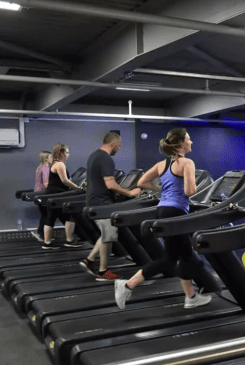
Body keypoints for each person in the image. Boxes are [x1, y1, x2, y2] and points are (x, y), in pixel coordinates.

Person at [114, 129, 211, 310]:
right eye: (189, 139)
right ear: (181, 144)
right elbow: (190, 191)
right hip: (176, 213)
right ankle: (127, 285)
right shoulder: (187, 163)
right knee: (169, 259)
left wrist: (163, 190)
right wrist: (195, 186)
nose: (192, 142)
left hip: (163, 211)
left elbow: (142, 182)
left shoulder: (162, 164)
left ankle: (190, 297)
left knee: (186, 255)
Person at [80, 132, 140, 281]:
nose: (118, 149)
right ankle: (102, 272)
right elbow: (110, 183)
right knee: (108, 237)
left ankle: (89, 260)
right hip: (102, 203)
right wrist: (129, 192)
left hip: (94, 201)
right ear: (113, 143)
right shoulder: (106, 158)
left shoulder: (94, 155)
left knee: (106, 234)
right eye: (119, 146)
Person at [42, 144, 82, 249]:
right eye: (67, 152)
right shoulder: (60, 164)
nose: (68, 155)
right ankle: (69, 240)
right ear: (61, 153)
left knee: (51, 218)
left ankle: (47, 243)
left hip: (52, 194)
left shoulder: (55, 164)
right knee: (70, 217)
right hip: (57, 195)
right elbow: (65, 180)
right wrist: (77, 187)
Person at [32, 150, 51, 242]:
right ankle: (40, 233)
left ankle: (43, 233)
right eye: (51, 157)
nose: (53, 159)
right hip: (43, 194)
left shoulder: (40, 167)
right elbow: (46, 183)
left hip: (39, 194)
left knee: (45, 214)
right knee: (46, 215)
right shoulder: (45, 168)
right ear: (47, 158)